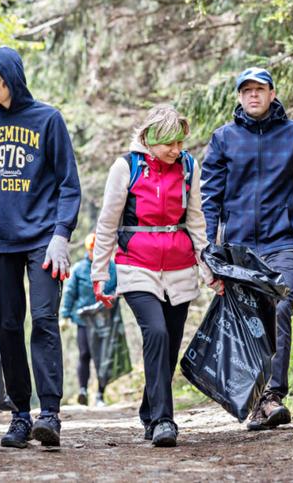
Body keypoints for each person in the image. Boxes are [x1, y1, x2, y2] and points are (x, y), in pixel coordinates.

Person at [0, 46, 81, 448]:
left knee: (45, 320)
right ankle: (19, 414)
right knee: (7, 325)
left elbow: (68, 184)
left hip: (44, 241)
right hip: (1, 243)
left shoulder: (48, 119)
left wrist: (61, 235)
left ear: (10, 79)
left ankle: (49, 413)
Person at [201, 67, 293, 431]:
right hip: (240, 247)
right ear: (239, 97)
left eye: (260, 89)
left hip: (283, 241)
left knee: (280, 307)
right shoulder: (224, 138)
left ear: (273, 93)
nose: (253, 96)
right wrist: (211, 244)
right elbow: (210, 194)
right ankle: (256, 401)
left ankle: (272, 395)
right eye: (246, 91)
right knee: (249, 320)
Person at [92, 104, 222, 448]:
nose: (176, 150)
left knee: (169, 347)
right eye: (169, 144)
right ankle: (165, 420)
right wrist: (99, 272)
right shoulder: (126, 167)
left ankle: (150, 410)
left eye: (180, 143)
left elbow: (196, 223)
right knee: (157, 332)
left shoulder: (189, 168)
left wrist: (209, 271)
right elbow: (108, 223)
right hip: (136, 265)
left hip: (180, 268)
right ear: (150, 139)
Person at [60, 232, 117, 407]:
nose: (95, 253)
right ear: (88, 250)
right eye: (93, 250)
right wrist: (64, 315)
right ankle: (83, 391)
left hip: (104, 320)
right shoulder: (79, 269)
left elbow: (118, 288)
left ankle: (100, 394)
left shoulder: (113, 267)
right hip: (83, 320)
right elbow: (70, 293)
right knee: (84, 354)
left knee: (103, 357)